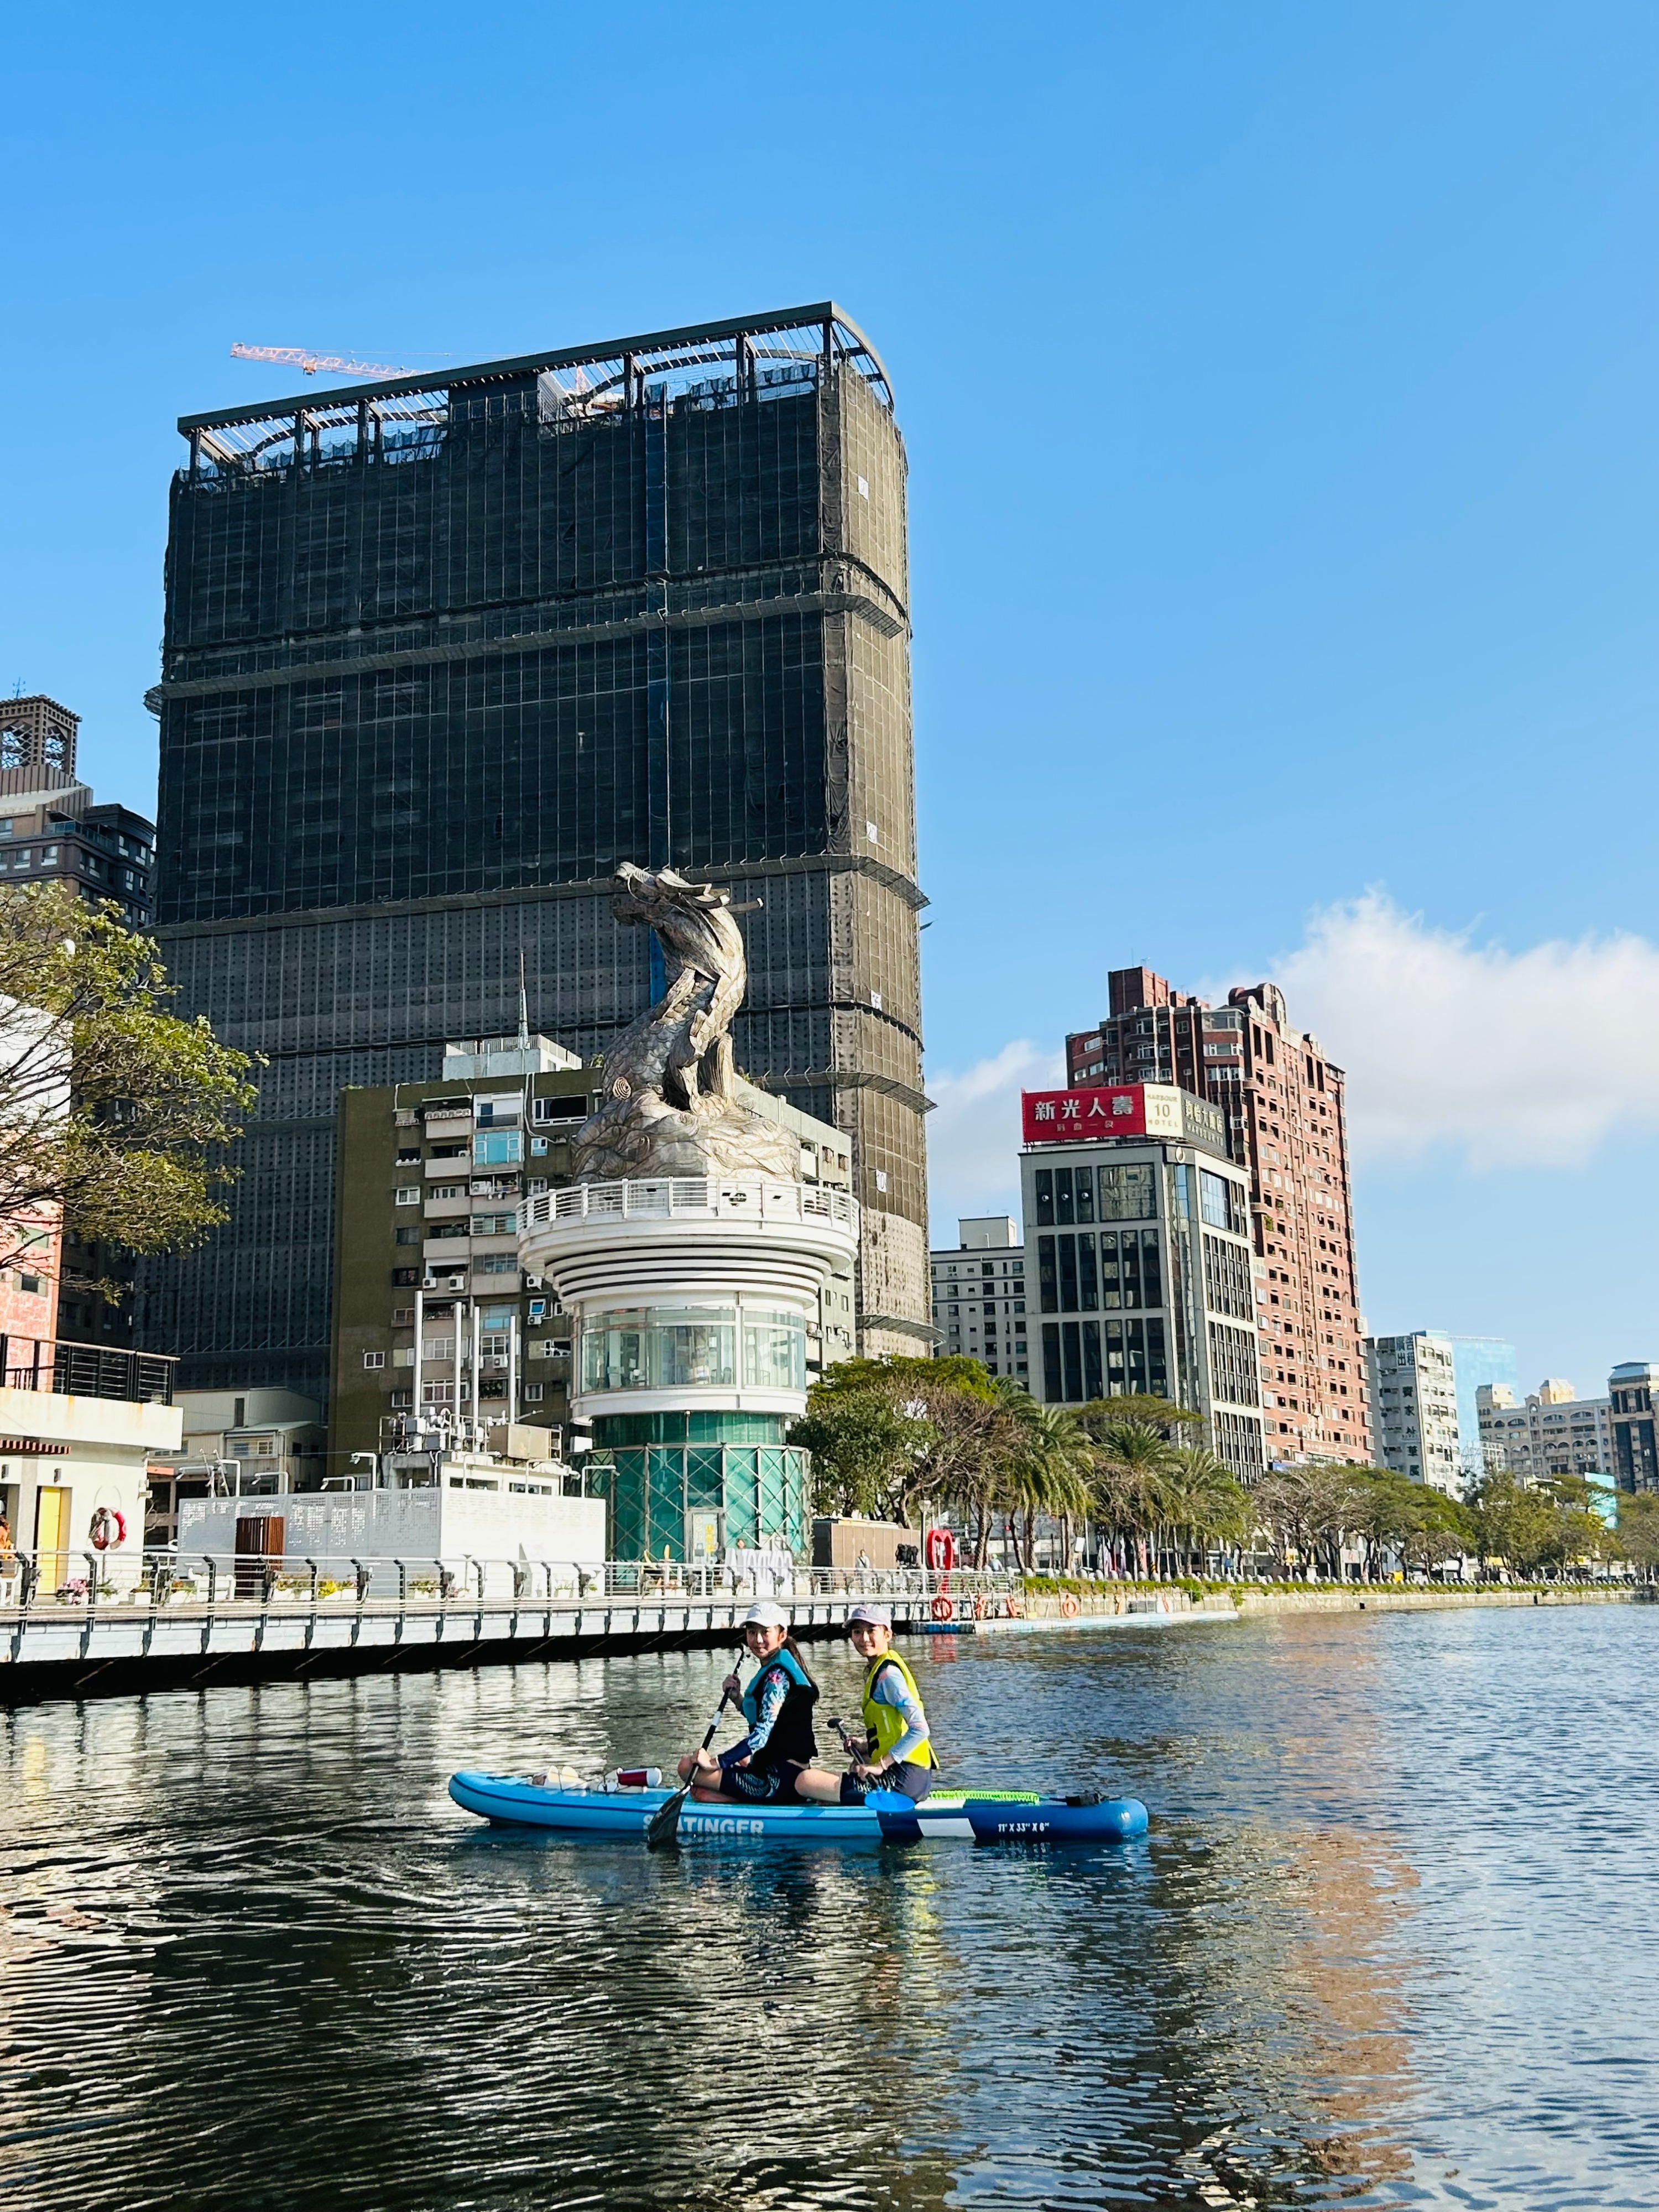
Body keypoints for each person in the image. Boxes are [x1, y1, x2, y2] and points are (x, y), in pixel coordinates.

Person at [794, 1603, 938, 1806]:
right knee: (837, 1783)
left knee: (804, 1781)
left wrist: (881, 1765)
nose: (864, 1639)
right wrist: (866, 1746)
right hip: (910, 1778)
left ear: (888, 1634)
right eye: (857, 1632)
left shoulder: (888, 1676)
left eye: (872, 1631)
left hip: (901, 1781)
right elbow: (892, 1731)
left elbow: (921, 1728)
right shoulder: (878, 1668)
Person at [679, 1599, 820, 1804]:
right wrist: (737, 1698)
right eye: (752, 1632)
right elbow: (768, 1718)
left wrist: (715, 1763)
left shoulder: (776, 1677)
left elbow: (761, 1735)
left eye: (765, 1632)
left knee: (686, 1767)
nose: (758, 1640)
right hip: (785, 1772)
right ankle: (727, 1795)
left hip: (779, 1781)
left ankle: (740, 1799)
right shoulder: (777, 1667)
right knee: (743, 1760)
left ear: (782, 1635)